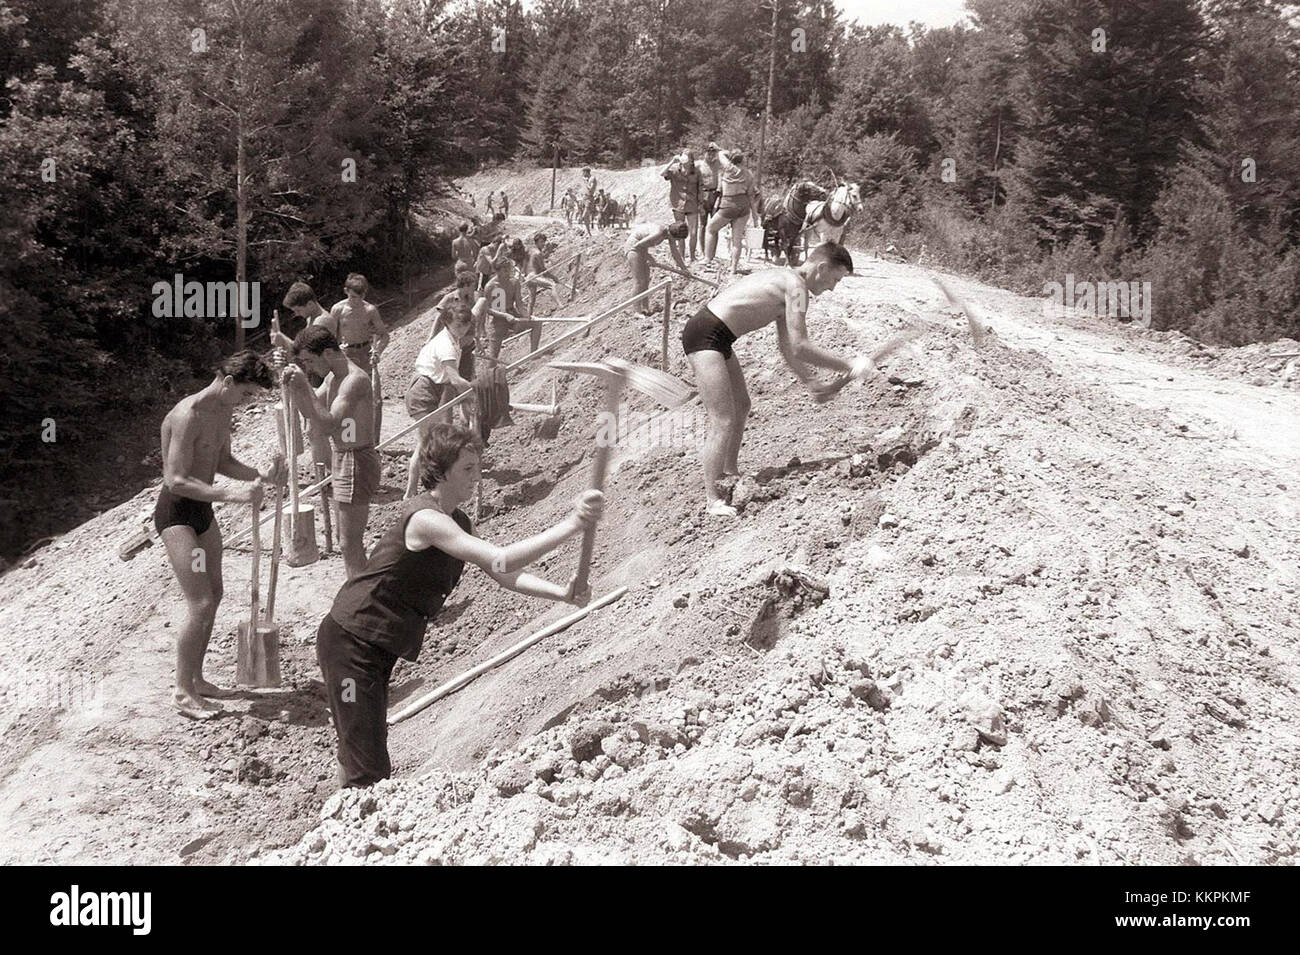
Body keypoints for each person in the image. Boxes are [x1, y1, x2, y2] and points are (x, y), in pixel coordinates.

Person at [316, 424, 604, 788]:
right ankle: (348, 833)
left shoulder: (457, 522)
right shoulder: (426, 520)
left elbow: (503, 574)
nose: (476, 478)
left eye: (477, 467)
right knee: (367, 768)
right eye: (467, 469)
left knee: (357, 745)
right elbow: (501, 559)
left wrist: (561, 593)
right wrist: (571, 525)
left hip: (372, 647)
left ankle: (338, 824)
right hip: (349, 643)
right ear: (441, 470)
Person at [682, 242, 875, 517]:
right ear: (821, 268)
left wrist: (810, 382)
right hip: (705, 335)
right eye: (835, 279)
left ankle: (729, 473)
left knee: (742, 406)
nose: (833, 288)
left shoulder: (790, 282)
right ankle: (712, 499)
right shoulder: (796, 287)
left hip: (718, 336)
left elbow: (787, 346)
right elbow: (801, 346)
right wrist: (850, 365)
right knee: (722, 419)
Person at [156, 350, 284, 719]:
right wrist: (232, 494)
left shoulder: (224, 410)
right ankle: (181, 691)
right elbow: (175, 479)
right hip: (177, 514)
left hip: (202, 512)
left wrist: (260, 474)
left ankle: (196, 678)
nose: (245, 403)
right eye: (245, 394)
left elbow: (222, 462)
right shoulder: (188, 415)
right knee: (199, 603)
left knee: (215, 594)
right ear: (228, 383)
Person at [284, 326, 380, 582]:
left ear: (327, 352)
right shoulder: (332, 379)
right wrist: (291, 383)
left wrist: (303, 387)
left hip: (356, 459)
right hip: (344, 457)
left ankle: (361, 600)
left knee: (350, 543)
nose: (309, 368)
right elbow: (311, 412)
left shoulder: (354, 380)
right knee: (345, 540)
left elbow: (328, 424)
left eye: (309, 361)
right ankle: (362, 594)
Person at [404, 303, 476, 498]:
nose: (462, 328)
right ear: (447, 322)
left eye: (465, 324)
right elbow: (455, 379)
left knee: (427, 442)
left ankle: (415, 491)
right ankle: (416, 492)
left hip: (431, 389)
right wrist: (476, 391)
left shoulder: (453, 340)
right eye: (458, 325)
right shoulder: (446, 345)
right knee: (427, 443)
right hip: (423, 392)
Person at [327, 273, 389, 438]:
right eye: (352, 296)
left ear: (364, 294)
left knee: (375, 400)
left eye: (359, 297)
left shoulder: (370, 310)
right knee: (347, 399)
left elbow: (384, 335)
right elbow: (328, 337)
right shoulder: (338, 309)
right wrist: (335, 352)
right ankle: (348, 438)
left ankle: (374, 442)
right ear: (346, 291)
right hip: (347, 356)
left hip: (365, 355)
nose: (356, 301)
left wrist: (378, 352)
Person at [704, 147, 758, 274]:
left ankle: (707, 259)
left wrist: (721, 149)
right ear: (742, 160)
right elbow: (751, 196)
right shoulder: (749, 174)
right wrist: (755, 215)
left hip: (728, 204)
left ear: (731, 159)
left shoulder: (729, 168)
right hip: (744, 207)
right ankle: (733, 268)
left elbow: (721, 153)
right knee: (737, 239)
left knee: (710, 229)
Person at [476, 255, 538, 359]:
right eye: (505, 269)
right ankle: (491, 371)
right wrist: (504, 315)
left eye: (508, 269)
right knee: (493, 357)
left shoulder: (514, 282)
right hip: (497, 321)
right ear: (497, 270)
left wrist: (527, 315)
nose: (508, 272)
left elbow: (519, 304)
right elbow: (488, 309)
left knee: (536, 324)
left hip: (513, 315)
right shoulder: (491, 286)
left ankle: (534, 356)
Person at [625, 221, 689, 305]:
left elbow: (675, 253)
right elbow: (638, 245)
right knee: (639, 282)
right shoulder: (659, 233)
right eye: (677, 239)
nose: (677, 241)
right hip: (633, 249)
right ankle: (637, 311)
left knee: (646, 282)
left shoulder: (668, 233)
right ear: (672, 234)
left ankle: (645, 308)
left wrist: (684, 269)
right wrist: (649, 258)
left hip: (642, 249)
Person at [663, 149, 702, 261]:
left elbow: (700, 189)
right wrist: (672, 161)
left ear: (691, 160)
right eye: (683, 156)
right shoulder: (675, 170)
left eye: (687, 156)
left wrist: (700, 204)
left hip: (692, 204)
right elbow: (662, 174)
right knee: (680, 231)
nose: (684, 158)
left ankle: (692, 256)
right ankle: (682, 256)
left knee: (693, 232)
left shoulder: (697, 172)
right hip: (678, 204)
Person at [524, 232, 565, 315]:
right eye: (541, 242)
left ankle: (528, 317)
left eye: (544, 242)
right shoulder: (538, 253)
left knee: (532, 300)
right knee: (552, 285)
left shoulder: (530, 250)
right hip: (533, 276)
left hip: (528, 277)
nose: (543, 244)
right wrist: (554, 278)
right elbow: (544, 271)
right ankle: (560, 305)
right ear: (536, 242)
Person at [696, 143, 723, 258]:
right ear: (704, 153)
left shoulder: (719, 164)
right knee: (702, 225)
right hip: (703, 195)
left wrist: (718, 148)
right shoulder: (699, 165)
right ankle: (702, 251)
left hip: (715, 195)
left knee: (714, 225)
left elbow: (728, 155)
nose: (711, 155)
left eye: (713, 152)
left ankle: (711, 253)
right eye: (709, 152)